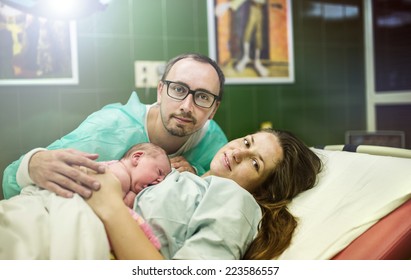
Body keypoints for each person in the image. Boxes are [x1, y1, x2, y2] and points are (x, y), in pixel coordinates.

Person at [2, 53, 227, 200]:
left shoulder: (214, 141)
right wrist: (33, 163)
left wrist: (196, 171)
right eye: (178, 89)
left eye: (203, 97)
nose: (187, 106)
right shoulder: (110, 128)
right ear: (160, 90)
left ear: (214, 109)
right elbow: (12, 179)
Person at [86, 128, 323, 260]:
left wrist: (109, 206)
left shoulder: (237, 203)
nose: (239, 152)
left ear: (263, 190)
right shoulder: (185, 175)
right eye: (247, 142)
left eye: (255, 164)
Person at [0, 142, 171, 259]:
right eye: (159, 172)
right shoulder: (118, 172)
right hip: (60, 204)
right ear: (137, 158)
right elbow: (107, 197)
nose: (160, 181)